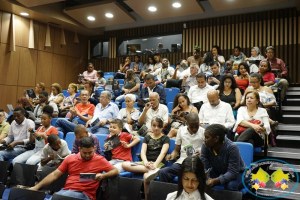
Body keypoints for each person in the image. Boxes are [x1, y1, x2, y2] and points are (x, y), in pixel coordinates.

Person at [29, 137, 119, 200]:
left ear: (94, 148)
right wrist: (36, 187)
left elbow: (116, 171)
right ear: (79, 149)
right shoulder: (70, 158)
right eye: (85, 153)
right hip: (66, 191)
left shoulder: (100, 160)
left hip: (84, 195)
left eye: (90, 152)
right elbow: (54, 174)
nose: (87, 155)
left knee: (57, 197)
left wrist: (103, 176)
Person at [122, 117, 170, 200]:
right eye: (154, 125)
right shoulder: (147, 137)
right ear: (151, 126)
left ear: (162, 127)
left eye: (158, 126)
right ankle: (150, 170)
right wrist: (146, 163)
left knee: (146, 176)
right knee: (124, 164)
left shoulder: (165, 138)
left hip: (158, 164)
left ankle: (147, 198)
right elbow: (143, 152)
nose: (156, 128)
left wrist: (155, 165)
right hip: (145, 163)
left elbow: (163, 153)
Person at [160, 113, 205, 183]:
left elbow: (209, 151)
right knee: (163, 172)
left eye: (197, 126)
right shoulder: (181, 131)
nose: (195, 129)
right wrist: (171, 155)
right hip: (183, 162)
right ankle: (169, 193)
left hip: (197, 163)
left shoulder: (203, 132)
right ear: (187, 124)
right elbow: (176, 151)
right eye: (192, 127)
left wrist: (201, 153)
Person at [201, 124, 246, 191]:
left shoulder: (232, 148)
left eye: (207, 137)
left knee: (230, 186)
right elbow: (204, 166)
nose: (204, 140)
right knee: (200, 180)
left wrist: (216, 180)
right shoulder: (205, 145)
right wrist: (206, 178)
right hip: (219, 171)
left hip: (240, 173)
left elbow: (232, 172)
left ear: (216, 139)